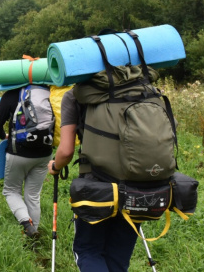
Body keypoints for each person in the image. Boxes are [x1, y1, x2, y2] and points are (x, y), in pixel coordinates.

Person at [47, 89, 139, 272]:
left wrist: (55, 167)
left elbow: (65, 151)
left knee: (88, 251)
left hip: (96, 187)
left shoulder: (76, 95)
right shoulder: (140, 90)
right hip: (139, 185)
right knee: (119, 256)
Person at [0, 84, 53, 239]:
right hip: (44, 154)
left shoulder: (11, 95)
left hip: (18, 153)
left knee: (11, 191)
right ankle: (32, 237)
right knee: (33, 195)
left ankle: (26, 224)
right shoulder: (50, 92)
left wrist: (3, 136)